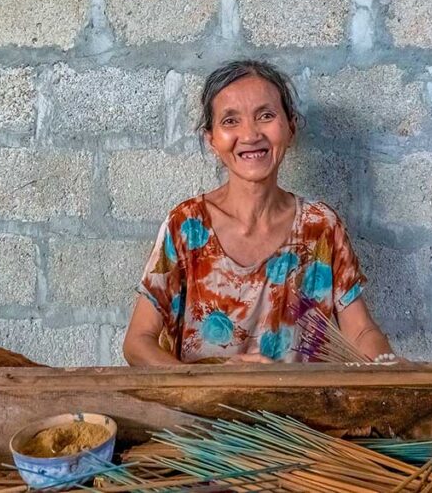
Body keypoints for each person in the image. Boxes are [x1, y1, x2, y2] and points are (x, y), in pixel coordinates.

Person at [122, 60, 398, 366]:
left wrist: (388, 366)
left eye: (265, 116)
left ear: (290, 127)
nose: (251, 134)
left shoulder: (320, 227)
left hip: (296, 412)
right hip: (203, 411)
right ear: (211, 139)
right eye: (230, 121)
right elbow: (138, 342)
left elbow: (360, 332)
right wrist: (203, 387)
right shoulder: (188, 226)